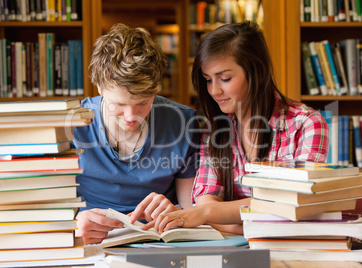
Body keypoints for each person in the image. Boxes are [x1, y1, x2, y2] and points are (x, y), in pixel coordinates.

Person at [147, 21, 329, 234]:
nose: (214, 91)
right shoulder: (214, 131)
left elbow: (295, 205)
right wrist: (246, 219)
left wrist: (209, 216)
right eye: (207, 80)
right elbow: (206, 202)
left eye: (225, 78)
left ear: (257, 73)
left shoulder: (307, 124)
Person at [72, 24, 199, 244]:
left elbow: (192, 210)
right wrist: (70, 226)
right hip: (89, 243)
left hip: (160, 242)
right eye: (118, 104)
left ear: (157, 87)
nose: (131, 116)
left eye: (143, 102)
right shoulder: (70, 126)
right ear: (99, 87)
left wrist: (178, 213)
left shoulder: (185, 124)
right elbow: (37, 210)